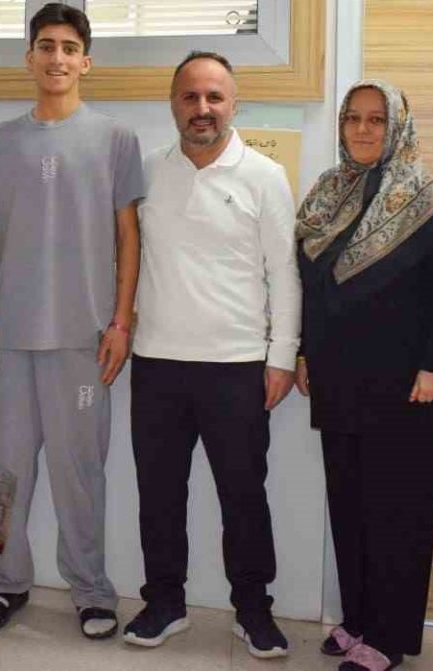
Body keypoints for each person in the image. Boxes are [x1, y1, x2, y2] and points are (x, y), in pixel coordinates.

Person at [0, 2, 142, 640]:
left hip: (83, 340)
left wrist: (120, 323)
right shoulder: (0, 140)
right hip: (13, 337)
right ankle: (0, 581)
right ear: (30, 57)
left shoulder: (116, 139)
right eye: (46, 46)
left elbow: (129, 237)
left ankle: (92, 591)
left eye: (69, 47)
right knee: (0, 469)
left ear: (86, 61)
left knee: (80, 472)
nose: (57, 58)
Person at [122, 51, 299, 659]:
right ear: (173, 103)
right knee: (159, 493)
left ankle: (253, 609)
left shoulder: (265, 176)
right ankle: (164, 602)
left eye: (214, 97)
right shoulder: (147, 172)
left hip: (238, 365)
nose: (203, 108)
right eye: (190, 96)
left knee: (243, 495)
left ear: (234, 104)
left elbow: (284, 273)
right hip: (157, 362)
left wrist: (282, 356)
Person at [294, 80, 433, 671]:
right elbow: (312, 288)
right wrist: (305, 353)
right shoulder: (325, 194)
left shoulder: (429, 197)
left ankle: (389, 636)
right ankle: (359, 617)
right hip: (339, 377)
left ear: (398, 127)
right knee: (349, 504)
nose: (363, 129)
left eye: (376, 119)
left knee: (398, 509)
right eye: (353, 118)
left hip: (406, 382)